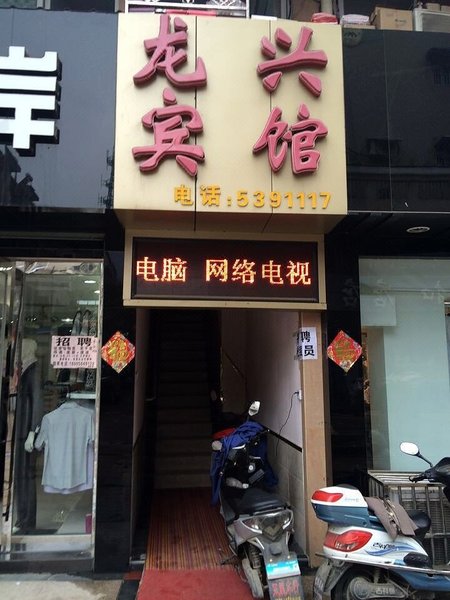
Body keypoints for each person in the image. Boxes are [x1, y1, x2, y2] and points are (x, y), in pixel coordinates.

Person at [13, 337, 42, 533]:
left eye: (20, 348)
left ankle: (27, 520)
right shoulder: (24, 370)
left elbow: (37, 401)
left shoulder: (33, 371)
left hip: (26, 431)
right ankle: (22, 518)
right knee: (21, 476)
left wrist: (33, 431)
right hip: (20, 429)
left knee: (26, 475)